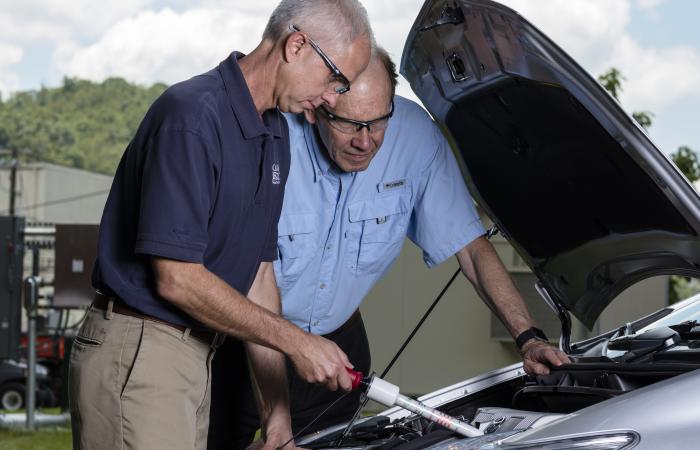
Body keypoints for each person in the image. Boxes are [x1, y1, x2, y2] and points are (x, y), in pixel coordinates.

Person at [208, 47, 571, 450]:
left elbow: (470, 248)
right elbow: (249, 280)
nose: (365, 142)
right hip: (243, 339)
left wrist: (529, 338)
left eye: (379, 122)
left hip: (336, 349)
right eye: (350, 124)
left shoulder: (416, 138)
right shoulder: (273, 137)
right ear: (318, 107)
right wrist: (277, 423)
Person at [68, 1, 373, 449]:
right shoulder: (191, 116)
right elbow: (176, 278)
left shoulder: (275, 134)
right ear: (296, 45)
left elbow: (260, 275)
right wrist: (297, 342)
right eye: (335, 79)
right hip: (139, 352)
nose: (333, 98)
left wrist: (278, 417)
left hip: (195, 357)